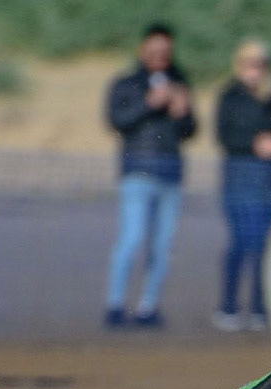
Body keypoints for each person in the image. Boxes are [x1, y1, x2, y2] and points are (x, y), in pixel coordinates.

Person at [102, 22, 196, 329]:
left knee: (162, 245)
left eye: (165, 51)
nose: (160, 56)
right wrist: (149, 104)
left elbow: (190, 131)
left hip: (171, 174)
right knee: (131, 239)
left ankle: (148, 307)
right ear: (143, 50)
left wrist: (183, 113)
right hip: (137, 172)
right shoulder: (126, 83)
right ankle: (115, 305)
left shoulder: (180, 82)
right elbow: (116, 120)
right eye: (155, 50)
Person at [214, 39, 271, 332]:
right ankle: (228, 306)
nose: (256, 71)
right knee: (242, 243)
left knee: (267, 245)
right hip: (240, 177)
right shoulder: (229, 97)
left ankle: (260, 307)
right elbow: (224, 136)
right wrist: (254, 144)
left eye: (260, 65)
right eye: (250, 64)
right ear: (240, 65)